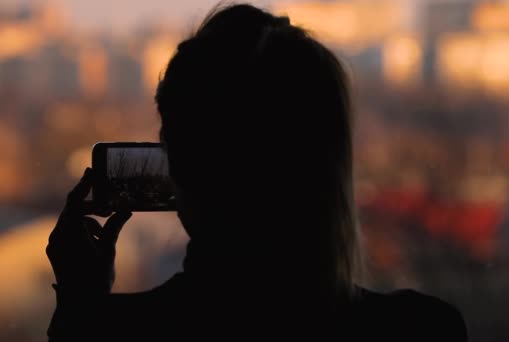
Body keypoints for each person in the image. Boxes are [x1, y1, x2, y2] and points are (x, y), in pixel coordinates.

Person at [46, 4, 467, 340]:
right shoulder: (421, 328)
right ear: (331, 165)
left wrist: (81, 307)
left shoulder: (122, 331)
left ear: (182, 168)